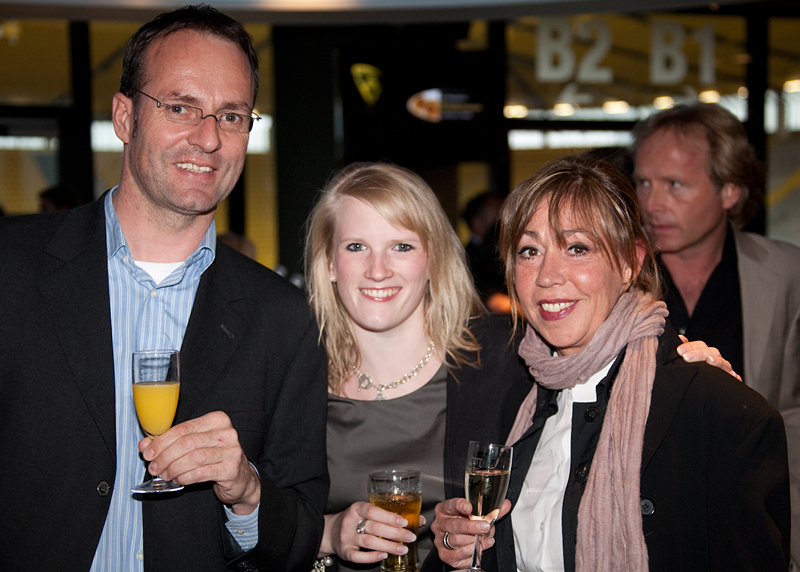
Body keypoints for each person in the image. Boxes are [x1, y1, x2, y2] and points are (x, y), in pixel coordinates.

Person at [0, 6, 328, 572]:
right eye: (180, 107)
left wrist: (247, 492)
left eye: (232, 116)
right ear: (124, 117)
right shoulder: (11, 268)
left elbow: (298, 533)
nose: (209, 138)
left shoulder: (283, 317)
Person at [304, 162, 735, 572]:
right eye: (356, 246)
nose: (378, 270)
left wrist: (677, 365)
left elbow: (602, 342)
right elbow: (266, 517)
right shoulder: (293, 375)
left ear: (433, 258)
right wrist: (325, 534)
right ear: (328, 262)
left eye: (401, 246)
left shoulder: (508, 355)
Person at [426, 156, 790, 572]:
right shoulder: (508, 396)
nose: (547, 276)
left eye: (577, 248)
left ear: (630, 262)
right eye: (529, 251)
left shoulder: (716, 412)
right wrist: (454, 545)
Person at [632, 103, 800, 567]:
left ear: (730, 190)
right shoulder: (616, 276)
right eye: (643, 182)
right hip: (644, 531)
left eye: (674, 184)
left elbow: (793, 416)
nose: (651, 204)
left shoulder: (786, 274)